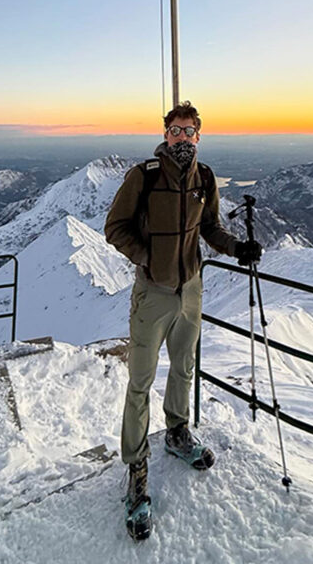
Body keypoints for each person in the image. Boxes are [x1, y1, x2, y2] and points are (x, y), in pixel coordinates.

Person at [104, 101, 261, 540]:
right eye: (175, 131)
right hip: (153, 292)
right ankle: (136, 468)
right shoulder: (144, 176)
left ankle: (176, 433)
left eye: (189, 132)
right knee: (140, 380)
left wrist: (236, 248)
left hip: (190, 289)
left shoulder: (204, 178)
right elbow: (114, 227)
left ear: (198, 136)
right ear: (165, 133)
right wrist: (147, 258)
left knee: (184, 368)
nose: (182, 138)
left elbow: (210, 227)